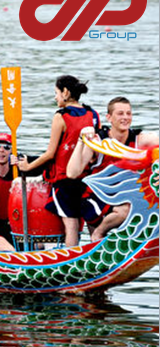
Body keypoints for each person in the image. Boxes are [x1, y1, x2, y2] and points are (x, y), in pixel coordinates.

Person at [17, 75, 100, 247]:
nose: (55, 97)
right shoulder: (93, 114)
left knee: (71, 225)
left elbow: (50, 154)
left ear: (66, 92)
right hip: (88, 178)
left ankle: (73, 263)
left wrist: (28, 166)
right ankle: (99, 256)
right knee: (93, 223)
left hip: (64, 180)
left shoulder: (60, 116)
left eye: (56, 93)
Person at [67, 97, 158, 241]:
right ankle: (99, 233)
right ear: (109, 118)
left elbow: (155, 142)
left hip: (124, 195)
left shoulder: (141, 140)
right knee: (125, 211)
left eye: (128, 113)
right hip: (95, 196)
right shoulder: (98, 141)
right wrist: (81, 140)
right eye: (120, 114)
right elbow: (72, 172)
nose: (125, 118)